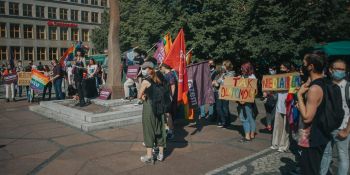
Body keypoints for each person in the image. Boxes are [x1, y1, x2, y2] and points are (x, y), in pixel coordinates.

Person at [296, 53, 329, 175]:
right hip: (321, 134)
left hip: (312, 137)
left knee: (309, 170)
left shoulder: (314, 89)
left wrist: (299, 95)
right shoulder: (325, 82)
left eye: (304, 64)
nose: (302, 67)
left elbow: (307, 117)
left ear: (310, 67)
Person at [320, 59, 350, 175]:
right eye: (338, 69)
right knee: (325, 154)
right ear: (331, 70)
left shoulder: (348, 87)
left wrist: (347, 130)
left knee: (343, 157)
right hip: (326, 128)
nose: (341, 71)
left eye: (343, 69)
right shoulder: (325, 84)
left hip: (342, 128)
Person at [138, 61, 166, 164]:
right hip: (160, 108)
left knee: (149, 130)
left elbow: (139, 96)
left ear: (149, 69)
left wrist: (143, 96)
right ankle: (161, 154)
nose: (144, 70)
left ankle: (149, 157)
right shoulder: (159, 78)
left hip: (149, 107)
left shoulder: (146, 81)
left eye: (145, 68)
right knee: (160, 129)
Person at [271, 62, 291, 152]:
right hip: (279, 104)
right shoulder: (278, 78)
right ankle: (276, 143)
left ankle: (284, 145)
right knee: (278, 125)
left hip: (288, 104)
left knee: (286, 127)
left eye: (283, 67)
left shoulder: (291, 78)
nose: (281, 69)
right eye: (281, 67)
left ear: (287, 69)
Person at [237, 61, 257, 142]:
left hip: (246, 101)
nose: (241, 70)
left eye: (243, 69)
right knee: (250, 117)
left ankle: (247, 136)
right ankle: (252, 134)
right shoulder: (251, 77)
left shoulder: (251, 78)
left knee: (244, 118)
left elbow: (253, 91)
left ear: (247, 69)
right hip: (246, 100)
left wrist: (244, 100)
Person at [213, 60, 235, 128]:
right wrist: (216, 82)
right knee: (219, 108)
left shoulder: (231, 73)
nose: (222, 66)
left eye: (223, 65)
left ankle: (227, 122)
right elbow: (219, 81)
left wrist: (218, 82)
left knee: (225, 108)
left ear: (227, 66)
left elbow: (227, 82)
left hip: (226, 93)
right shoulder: (223, 73)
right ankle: (223, 121)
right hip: (220, 92)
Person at [160, 63, 177, 140]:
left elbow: (173, 86)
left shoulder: (170, 74)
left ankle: (171, 131)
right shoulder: (168, 74)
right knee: (166, 114)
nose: (161, 69)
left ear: (164, 67)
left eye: (161, 68)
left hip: (168, 97)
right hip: (165, 97)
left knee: (168, 114)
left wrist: (171, 96)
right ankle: (168, 129)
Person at [262, 65, 277, 131]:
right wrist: (264, 92)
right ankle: (269, 125)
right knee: (268, 112)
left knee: (274, 112)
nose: (270, 71)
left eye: (272, 70)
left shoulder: (278, 78)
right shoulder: (266, 77)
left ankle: (272, 125)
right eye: (270, 70)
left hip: (275, 97)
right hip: (267, 97)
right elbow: (264, 87)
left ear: (275, 70)